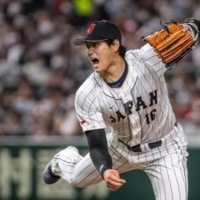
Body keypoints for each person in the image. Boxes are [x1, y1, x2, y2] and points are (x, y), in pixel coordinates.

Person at [42, 18, 200, 200]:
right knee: (77, 178)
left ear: (115, 45)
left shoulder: (149, 59)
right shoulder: (86, 94)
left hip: (166, 150)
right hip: (120, 148)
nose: (89, 51)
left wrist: (192, 26)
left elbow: (190, 30)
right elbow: (97, 146)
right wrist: (105, 170)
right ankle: (62, 160)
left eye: (96, 44)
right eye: (88, 46)